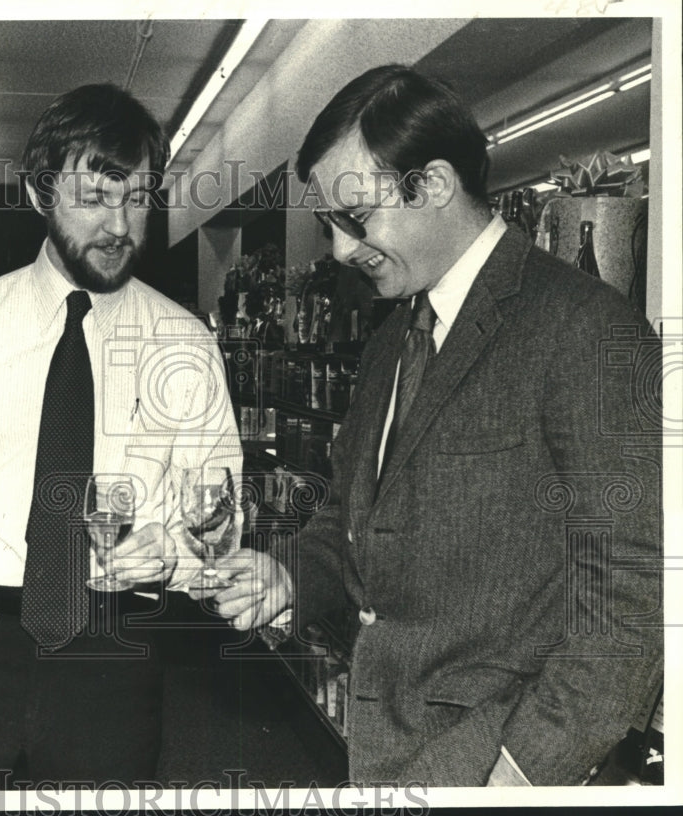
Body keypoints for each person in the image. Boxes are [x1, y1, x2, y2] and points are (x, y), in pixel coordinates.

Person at [205, 65, 662, 787]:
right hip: (386, 755)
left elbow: (631, 599)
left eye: (354, 218)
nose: (337, 250)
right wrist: (288, 576)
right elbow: (352, 523)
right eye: (328, 224)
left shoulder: (586, 328)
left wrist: (525, 769)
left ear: (436, 184)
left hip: (498, 765)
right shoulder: (392, 338)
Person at [0, 83, 240, 789]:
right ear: (41, 193)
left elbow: (220, 517)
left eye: (138, 199)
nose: (121, 224)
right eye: (97, 197)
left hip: (114, 655)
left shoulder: (186, 346)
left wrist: (181, 553)